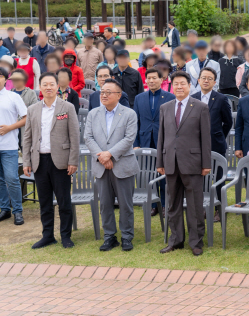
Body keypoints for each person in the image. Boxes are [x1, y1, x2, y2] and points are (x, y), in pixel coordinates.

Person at [156, 71, 212, 256]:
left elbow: (205, 138)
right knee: (172, 204)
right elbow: (162, 137)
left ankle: (196, 241)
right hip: (170, 162)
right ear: (171, 86)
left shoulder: (200, 107)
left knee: (195, 205)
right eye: (176, 83)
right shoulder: (165, 107)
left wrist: (206, 163)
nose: (179, 86)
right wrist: (160, 161)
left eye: (182, 83)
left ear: (189, 86)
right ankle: (176, 240)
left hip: (193, 163)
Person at [22, 72, 79, 249]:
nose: (48, 87)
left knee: (64, 202)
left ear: (57, 86)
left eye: (51, 84)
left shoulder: (67, 107)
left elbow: (74, 136)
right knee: (45, 202)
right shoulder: (32, 110)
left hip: (61, 161)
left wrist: (73, 160)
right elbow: (27, 138)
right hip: (39, 161)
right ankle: (47, 235)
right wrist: (26, 162)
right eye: (44, 84)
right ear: (40, 87)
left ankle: (66, 236)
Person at [84, 78, 139, 252]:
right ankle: (109, 236)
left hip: (123, 165)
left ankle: (126, 236)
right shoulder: (93, 113)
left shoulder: (129, 114)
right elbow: (88, 138)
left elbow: (129, 138)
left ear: (118, 95)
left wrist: (110, 154)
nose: (104, 95)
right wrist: (102, 157)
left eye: (108, 92)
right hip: (101, 166)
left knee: (125, 204)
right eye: (102, 92)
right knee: (105, 204)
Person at [191, 67, 232, 222]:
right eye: (203, 78)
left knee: (218, 178)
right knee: (199, 178)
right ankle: (201, 208)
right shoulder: (193, 98)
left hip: (216, 144)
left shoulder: (221, 99)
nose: (206, 80)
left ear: (214, 82)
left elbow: (228, 122)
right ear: (198, 80)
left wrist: (218, 134)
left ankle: (219, 210)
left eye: (209, 78)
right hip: (196, 145)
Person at [132, 67, 175, 216]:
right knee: (148, 174)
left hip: (163, 141)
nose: (151, 81)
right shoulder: (139, 98)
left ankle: (164, 204)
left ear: (161, 79)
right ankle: (152, 204)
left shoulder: (170, 97)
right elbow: (135, 122)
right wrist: (135, 143)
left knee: (163, 173)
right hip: (144, 140)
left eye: (154, 78)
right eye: (148, 78)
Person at [0, 66, 27, 225]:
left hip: (9, 145)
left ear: (5, 79)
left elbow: (26, 117)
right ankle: (5, 209)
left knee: (11, 178)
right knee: (0, 179)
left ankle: (17, 210)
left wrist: (10, 127)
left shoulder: (13, 97)